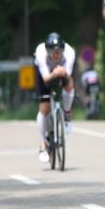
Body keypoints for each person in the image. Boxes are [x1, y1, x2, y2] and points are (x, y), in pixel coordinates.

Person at [33, 32, 76, 163]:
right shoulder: (41, 54)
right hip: (45, 75)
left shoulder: (70, 53)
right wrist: (54, 74)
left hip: (61, 72)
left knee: (69, 86)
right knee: (44, 107)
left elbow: (68, 77)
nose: (56, 55)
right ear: (48, 51)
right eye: (53, 52)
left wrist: (63, 73)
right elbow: (45, 78)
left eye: (59, 52)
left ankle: (67, 114)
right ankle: (42, 145)